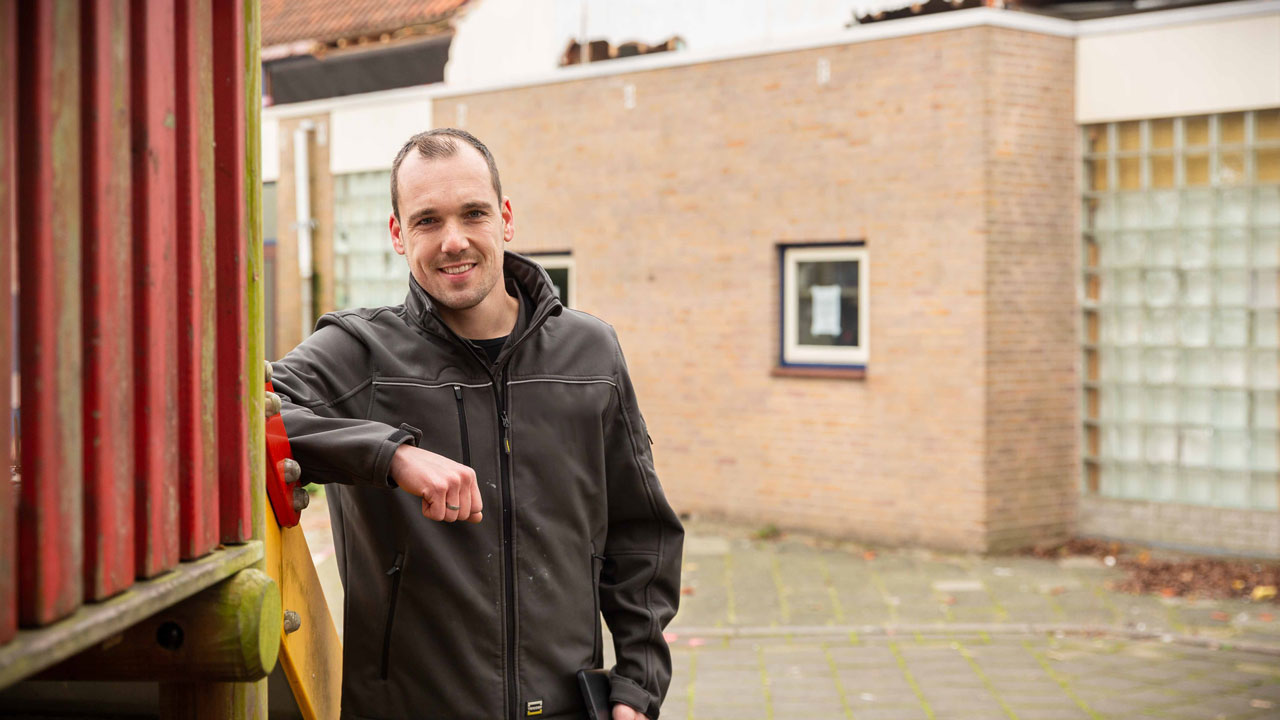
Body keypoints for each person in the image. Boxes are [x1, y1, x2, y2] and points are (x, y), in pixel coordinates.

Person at [271, 128, 683, 720]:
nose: (453, 241)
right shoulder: (357, 352)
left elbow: (642, 534)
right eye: (427, 221)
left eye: (473, 214)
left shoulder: (591, 355)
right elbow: (243, 409)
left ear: (505, 218)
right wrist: (393, 456)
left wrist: (638, 690)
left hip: (567, 706)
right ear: (397, 234)